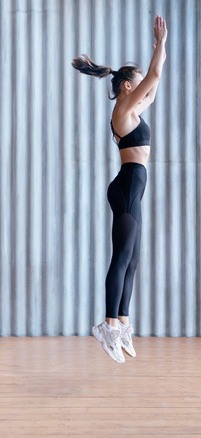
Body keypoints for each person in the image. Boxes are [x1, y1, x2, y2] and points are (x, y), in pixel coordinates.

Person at [72, 15, 167, 363]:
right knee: (122, 257)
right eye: (137, 83)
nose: (143, 88)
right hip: (127, 188)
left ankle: (123, 321)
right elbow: (154, 78)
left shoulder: (134, 107)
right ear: (127, 86)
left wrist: (159, 49)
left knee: (133, 260)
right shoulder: (123, 108)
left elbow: (154, 86)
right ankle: (108, 323)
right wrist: (161, 44)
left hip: (132, 189)